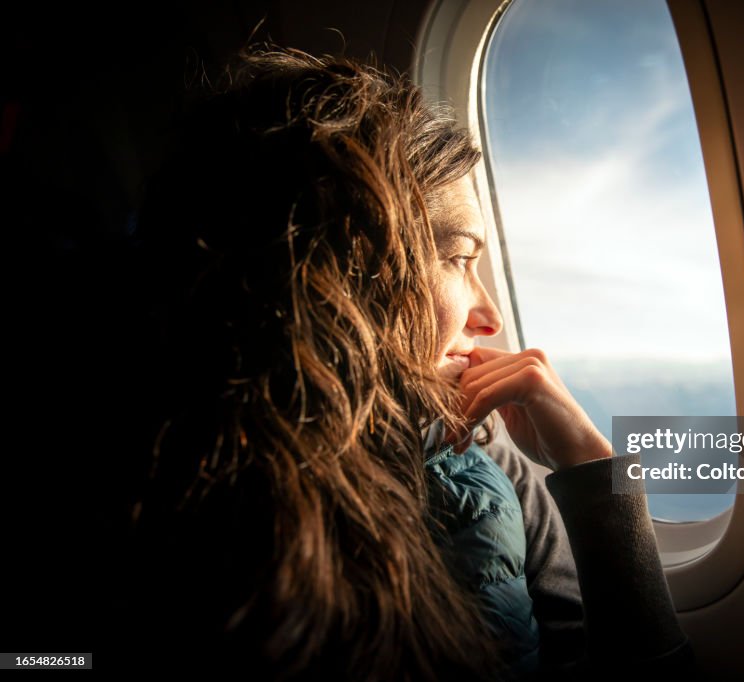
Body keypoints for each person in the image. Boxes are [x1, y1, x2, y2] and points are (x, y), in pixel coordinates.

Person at [116, 44, 692, 681]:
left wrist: (594, 470)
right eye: (458, 258)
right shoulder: (169, 498)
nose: (490, 317)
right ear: (341, 268)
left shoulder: (488, 461)